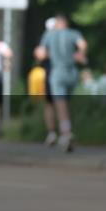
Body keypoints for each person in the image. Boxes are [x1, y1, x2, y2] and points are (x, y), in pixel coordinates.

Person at [35, 15, 87, 152]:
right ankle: (69, 128)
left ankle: (66, 132)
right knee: (68, 102)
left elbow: (40, 54)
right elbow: (83, 45)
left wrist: (48, 54)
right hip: (73, 73)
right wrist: (79, 54)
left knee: (60, 104)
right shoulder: (74, 33)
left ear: (57, 24)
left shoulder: (49, 35)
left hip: (57, 73)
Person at [38, 17, 59, 146]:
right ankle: (65, 130)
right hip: (66, 72)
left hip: (51, 72)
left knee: (50, 103)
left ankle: (52, 133)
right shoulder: (67, 36)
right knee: (62, 102)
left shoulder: (46, 36)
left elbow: (40, 54)